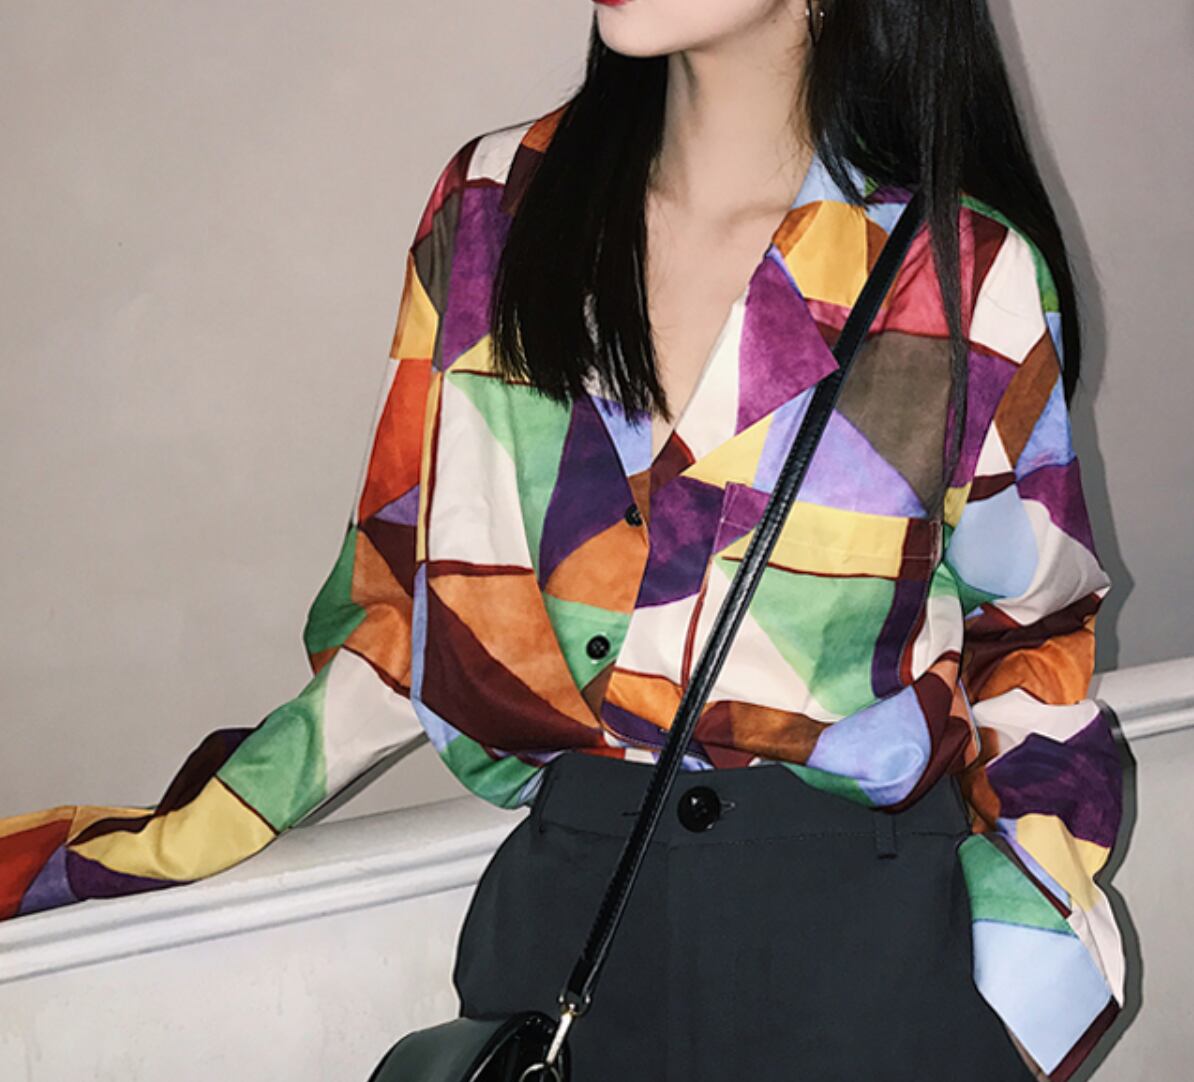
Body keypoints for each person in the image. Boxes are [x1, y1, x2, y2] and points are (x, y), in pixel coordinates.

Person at [1, 2, 1128, 1080]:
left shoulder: (960, 274)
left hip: (867, 959)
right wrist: (168, 838)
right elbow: (399, 601)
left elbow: (1033, 637)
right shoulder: (497, 211)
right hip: (568, 939)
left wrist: (1013, 985)